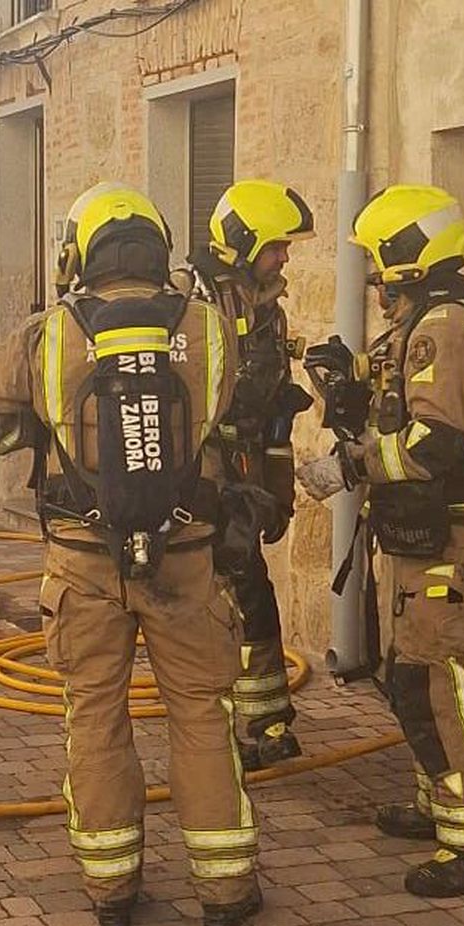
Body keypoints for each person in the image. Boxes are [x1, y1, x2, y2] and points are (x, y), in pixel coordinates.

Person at [0, 183, 260, 926]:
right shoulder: (209, 328)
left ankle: (112, 887)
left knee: (94, 716)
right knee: (200, 714)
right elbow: (233, 416)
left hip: (83, 562)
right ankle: (225, 889)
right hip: (187, 558)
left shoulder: (49, 334)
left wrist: (47, 439)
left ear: (80, 252)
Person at [297, 184, 464, 897]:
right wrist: (346, 370)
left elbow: (434, 442)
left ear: (410, 256)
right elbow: (396, 382)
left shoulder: (447, 328)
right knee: (413, 674)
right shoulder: (424, 322)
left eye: (382, 262)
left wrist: (349, 465)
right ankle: (436, 802)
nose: (378, 279)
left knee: (441, 681)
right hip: (421, 539)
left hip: (448, 537)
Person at [192, 180, 316, 770]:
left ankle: (264, 723)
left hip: (246, 477)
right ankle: (217, 735)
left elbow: (272, 416)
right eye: (276, 246)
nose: (285, 256)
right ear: (243, 242)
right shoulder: (193, 304)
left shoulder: (268, 308)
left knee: (254, 596)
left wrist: (279, 490)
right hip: (204, 480)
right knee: (215, 607)